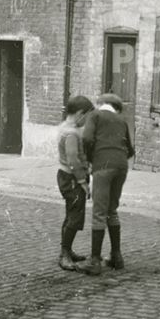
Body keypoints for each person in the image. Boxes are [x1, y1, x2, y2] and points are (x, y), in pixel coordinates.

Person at [77, 92, 134, 275]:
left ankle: (94, 261)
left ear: (101, 103)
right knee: (112, 210)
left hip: (103, 166)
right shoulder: (121, 120)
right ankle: (117, 257)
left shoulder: (95, 115)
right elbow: (130, 150)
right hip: (121, 166)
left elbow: (86, 139)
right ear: (116, 107)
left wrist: (91, 158)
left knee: (99, 212)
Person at [56, 95, 95, 271]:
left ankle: (67, 250)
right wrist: (83, 182)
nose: (86, 121)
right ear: (80, 113)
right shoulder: (71, 133)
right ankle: (64, 255)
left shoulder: (65, 128)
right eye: (86, 117)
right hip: (72, 178)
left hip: (65, 176)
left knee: (71, 214)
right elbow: (73, 159)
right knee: (74, 216)